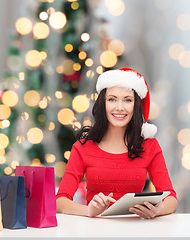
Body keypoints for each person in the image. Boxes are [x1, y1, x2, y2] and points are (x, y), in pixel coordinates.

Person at [56, 67, 178, 219]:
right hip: (93, 230)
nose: (119, 107)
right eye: (112, 99)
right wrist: (89, 211)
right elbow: (60, 201)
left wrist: (157, 210)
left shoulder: (149, 146)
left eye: (127, 100)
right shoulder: (83, 147)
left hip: (133, 229)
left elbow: (171, 199)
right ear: (103, 104)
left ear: (136, 105)